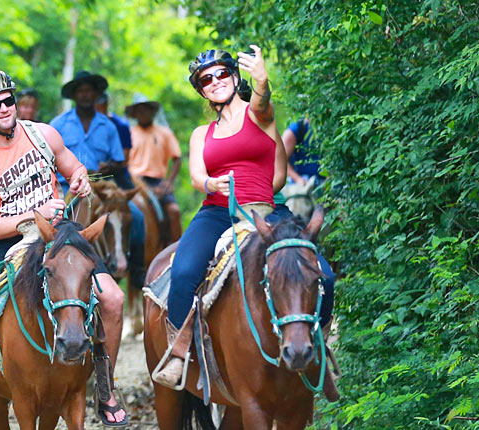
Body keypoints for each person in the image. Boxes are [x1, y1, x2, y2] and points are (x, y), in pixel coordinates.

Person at [0, 70, 127, 429]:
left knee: (113, 299)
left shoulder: (43, 133)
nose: (4, 109)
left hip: (58, 234)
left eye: (8, 101)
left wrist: (78, 177)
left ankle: (105, 385)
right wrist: (33, 215)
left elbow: (73, 166)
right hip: (5, 241)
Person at [152, 47, 336, 386]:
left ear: (236, 77)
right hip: (218, 212)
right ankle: (179, 353)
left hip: (268, 209)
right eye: (206, 79)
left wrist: (262, 80)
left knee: (323, 274)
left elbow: (263, 104)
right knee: (184, 271)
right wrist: (210, 182)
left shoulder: (258, 115)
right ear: (202, 90)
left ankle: (319, 346)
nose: (216, 81)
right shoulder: (200, 134)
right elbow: (195, 176)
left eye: (222, 73)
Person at [50, 72, 146, 283]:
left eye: (89, 92)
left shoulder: (108, 126)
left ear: (96, 95)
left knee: (137, 216)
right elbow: (47, 159)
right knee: (53, 219)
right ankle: (50, 267)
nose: (85, 95)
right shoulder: (58, 124)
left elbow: (119, 160)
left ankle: (136, 268)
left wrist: (108, 166)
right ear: (75, 95)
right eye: (81, 91)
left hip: (101, 185)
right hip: (68, 185)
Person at [125, 94, 182, 238]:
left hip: (157, 181)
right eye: (139, 110)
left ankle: (175, 250)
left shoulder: (164, 133)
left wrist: (169, 182)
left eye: (146, 109)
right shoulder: (129, 133)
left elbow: (177, 158)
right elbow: (123, 160)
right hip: (134, 181)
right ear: (134, 114)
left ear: (152, 111)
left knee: (173, 211)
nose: (143, 113)